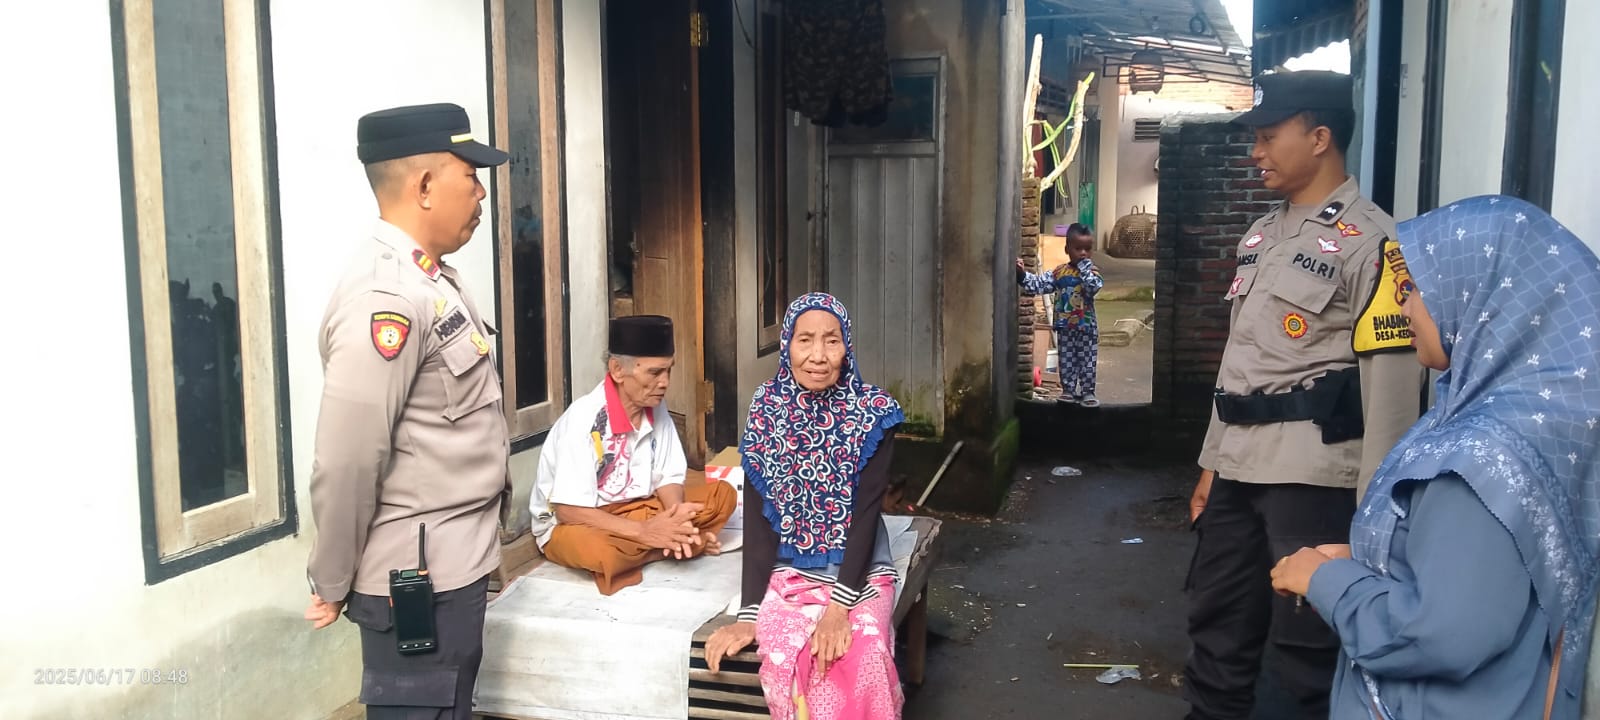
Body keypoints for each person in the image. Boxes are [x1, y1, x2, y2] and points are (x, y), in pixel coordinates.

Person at [1270, 196, 1600, 719]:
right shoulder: (1524, 421)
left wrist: (1324, 581)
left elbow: (1442, 635)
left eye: (1413, 288)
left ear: (1484, 297)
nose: (1403, 307)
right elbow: (1477, 575)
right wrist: (1367, 559)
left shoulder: (1480, 462)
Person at [1184, 70, 1426, 720]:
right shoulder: (1263, 234)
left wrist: (1378, 513)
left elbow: (1392, 389)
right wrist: (1210, 463)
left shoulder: (1375, 243)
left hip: (1312, 478)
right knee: (1216, 620)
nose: (1255, 152)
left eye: (1268, 137)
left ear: (1319, 138)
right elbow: (1241, 360)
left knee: (1306, 647)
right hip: (1237, 468)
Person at [302, 103, 513, 719]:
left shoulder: (432, 281)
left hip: (452, 568)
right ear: (424, 186)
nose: (481, 193)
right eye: (470, 176)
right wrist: (332, 578)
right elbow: (347, 458)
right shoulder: (386, 297)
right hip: (417, 584)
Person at [703, 292, 906, 720]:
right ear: (787, 346)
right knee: (784, 657)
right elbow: (760, 518)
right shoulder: (767, 408)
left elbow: (866, 514)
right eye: (805, 340)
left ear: (847, 346)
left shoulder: (873, 412)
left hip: (860, 573)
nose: (818, 356)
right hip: (790, 573)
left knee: (864, 653)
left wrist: (839, 610)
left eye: (831, 340)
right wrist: (748, 614)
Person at [528, 314, 738, 596]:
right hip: (582, 522)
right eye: (654, 373)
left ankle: (665, 543)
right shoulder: (583, 419)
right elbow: (568, 510)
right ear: (617, 370)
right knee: (602, 552)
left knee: (723, 496)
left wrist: (676, 518)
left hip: (641, 508)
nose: (664, 382)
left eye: (668, 371)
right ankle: (663, 549)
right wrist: (645, 532)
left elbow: (669, 477)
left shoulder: (656, 408)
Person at [1017, 223, 1105, 406]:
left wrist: (1085, 270)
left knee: (1087, 361)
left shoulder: (1093, 273)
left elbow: (1092, 288)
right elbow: (1039, 284)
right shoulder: (1059, 273)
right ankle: (1068, 391)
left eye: (1087, 249)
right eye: (1078, 249)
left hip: (1086, 328)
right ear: (1067, 249)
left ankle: (1088, 392)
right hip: (1065, 328)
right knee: (1066, 361)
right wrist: (1022, 275)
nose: (1083, 253)